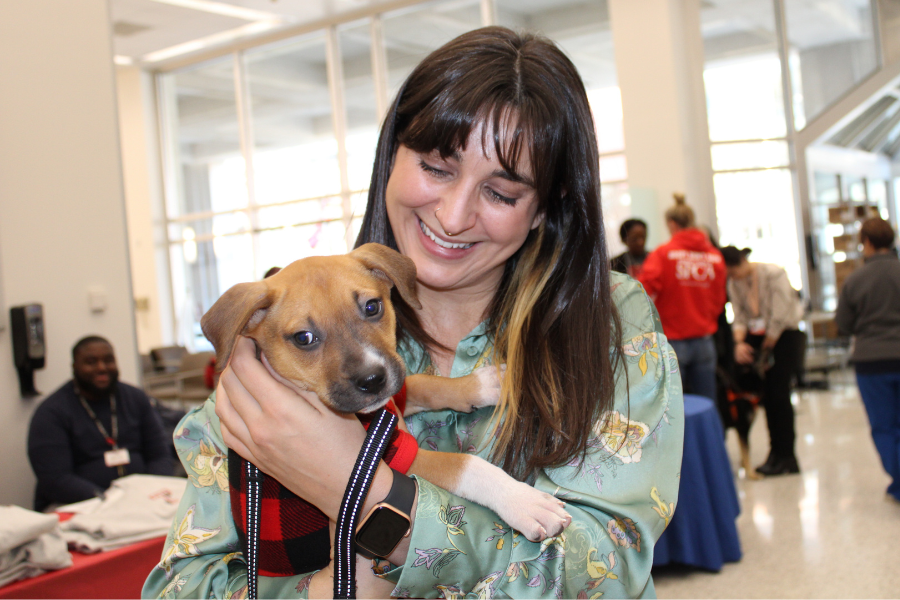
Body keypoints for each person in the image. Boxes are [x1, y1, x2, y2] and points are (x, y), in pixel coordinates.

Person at [144, 27, 683, 599]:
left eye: (500, 194)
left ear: (542, 212)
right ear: (391, 156)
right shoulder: (273, 348)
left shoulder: (605, 323)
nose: (453, 217)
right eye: (436, 167)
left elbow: (605, 574)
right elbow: (181, 586)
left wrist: (363, 494)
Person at [28, 336, 173, 512]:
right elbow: (55, 480)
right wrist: (110, 500)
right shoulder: (52, 412)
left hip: (144, 498)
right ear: (74, 367)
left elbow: (160, 456)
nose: (102, 368)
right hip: (78, 503)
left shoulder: (135, 398)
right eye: (91, 362)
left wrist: (149, 490)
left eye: (108, 360)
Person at [720, 246, 805, 476]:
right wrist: (739, 344)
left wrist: (769, 342)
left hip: (784, 336)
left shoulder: (773, 273)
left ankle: (787, 455)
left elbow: (782, 311)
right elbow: (739, 316)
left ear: (740, 262)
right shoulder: (733, 282)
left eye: (733, 272)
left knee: (779, 395)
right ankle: (775, 454)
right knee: (766, 396)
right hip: (760, 338)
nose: (733, 278)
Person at [835, 217, 900, 502]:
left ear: (868, 243)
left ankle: (898, 481)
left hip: (872, 363)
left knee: (885, 426)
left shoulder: (855, 280)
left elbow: (844, 325)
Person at [637, 194, 726, 401]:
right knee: (707, 402)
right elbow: (720, 300)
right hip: (705, 340)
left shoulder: (663, 254)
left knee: (673, 408)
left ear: (672, 224)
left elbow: (642, 290)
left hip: (673, 340)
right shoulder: (714, 257)